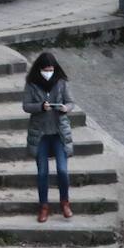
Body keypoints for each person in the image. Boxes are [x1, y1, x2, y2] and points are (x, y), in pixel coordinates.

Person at [23, 51, 75, 222]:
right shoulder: (31, 84)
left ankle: (65, 202)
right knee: (42, 172)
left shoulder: (61, 82)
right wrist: (40, 106)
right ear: (39, 69)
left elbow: (70, 102)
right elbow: (26, 106)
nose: (48, 72)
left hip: (59, 133)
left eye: (51, 69)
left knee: (62, 169)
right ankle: (43, 206)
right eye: (45, 69)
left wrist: (65, 108)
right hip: (41, 134)